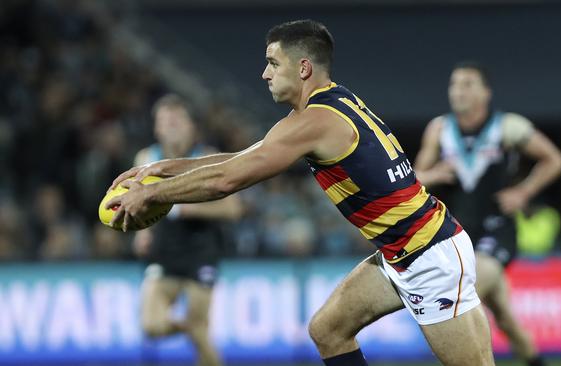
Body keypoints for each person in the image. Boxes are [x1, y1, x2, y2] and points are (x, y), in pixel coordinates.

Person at [107, 20, 494, 365]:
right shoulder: (327, 105)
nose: (264, 74)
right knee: (328, 331)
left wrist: (154, 195)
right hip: (405, 251)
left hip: (427, 257)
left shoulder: (316, 121)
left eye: (273, 63)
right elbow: (241, 158)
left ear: (303, 67)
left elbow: (227, 180)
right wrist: (158, 169)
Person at [414, 62, 561, 366]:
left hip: (498, 230)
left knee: (465, 294)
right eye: (454, 84)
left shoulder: (507, 126)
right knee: (506, 319)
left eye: (468, 84)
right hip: (458, 232)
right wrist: (436, 174)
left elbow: (554, 160)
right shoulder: (440, 129)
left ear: (486, 92)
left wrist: (523, 192)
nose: (459, 91)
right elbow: (416, 177)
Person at [133, 94, 243, 366]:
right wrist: (141, 231)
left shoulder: (206, 159)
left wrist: (184, 207)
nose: (171, 126)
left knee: (199, 333)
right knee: (152, 325)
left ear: (192, 126)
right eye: (165, 121)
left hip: (201, 250)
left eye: (177, 120)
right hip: (164, 250)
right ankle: (190, 327)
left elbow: (232, 209)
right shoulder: (146, 158)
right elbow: (138, 202)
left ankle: (195, 330)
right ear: (156, 128)